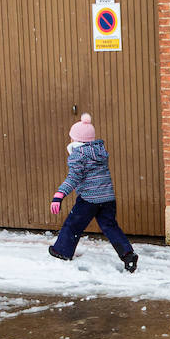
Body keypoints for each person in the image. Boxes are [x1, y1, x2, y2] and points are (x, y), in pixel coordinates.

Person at [48, 113, 138, 273]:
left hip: (89, 199)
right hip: (107, 198)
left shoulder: (78, 155)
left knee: (73, 224)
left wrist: (59, 194)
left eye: (71, 137)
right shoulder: (100, 152)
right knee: (110, 226)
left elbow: (74, 177)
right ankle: (127, 254)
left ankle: (62, 251)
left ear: (76, 140)